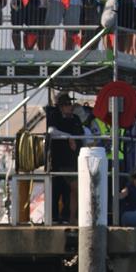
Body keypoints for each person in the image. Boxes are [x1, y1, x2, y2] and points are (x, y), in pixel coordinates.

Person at [45, 92, 85, 223]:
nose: (70, 106)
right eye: (67, 104)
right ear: (61, 106)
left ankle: (69, 216)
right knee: (56, 190)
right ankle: (54, 217)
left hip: (73, 160)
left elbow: (82, 135)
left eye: (70, 104)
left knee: (70, 190)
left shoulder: (76, 119)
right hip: (59, 160)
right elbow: (51, 131)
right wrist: (68, 136)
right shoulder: (55, 116)